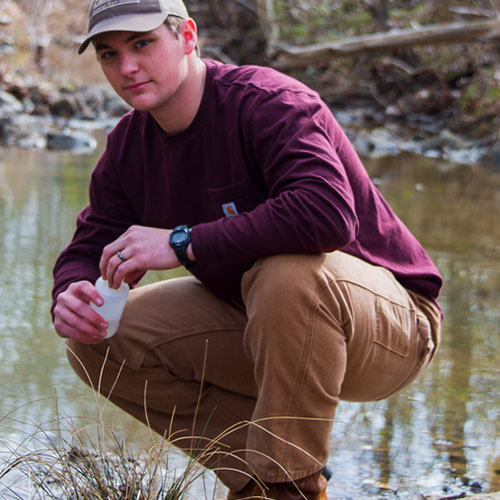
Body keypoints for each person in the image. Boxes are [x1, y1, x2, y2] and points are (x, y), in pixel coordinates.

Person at [51, 0, 443, 498]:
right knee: (98, 340)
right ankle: (263, 479)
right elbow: (90, 241)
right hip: (261, 320)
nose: (126, 68)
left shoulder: (266, 101)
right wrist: (70, 293)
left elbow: (327, 215)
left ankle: (287, 484)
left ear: (188, 36)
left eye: (143, 44)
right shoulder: (129, 145)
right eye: (109, 54)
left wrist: (182, 242)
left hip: (390, 328)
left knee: (286, 273)